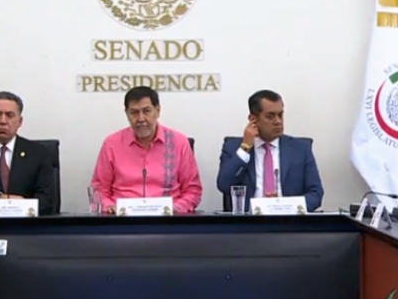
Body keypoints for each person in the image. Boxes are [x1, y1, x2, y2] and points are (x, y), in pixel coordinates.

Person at [91, 86, 202, 214]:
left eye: (147, 111)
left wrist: (177, 208)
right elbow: (98, 189)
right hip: (121, 221)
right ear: (126, 113)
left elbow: (193, 190)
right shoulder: (111, 144)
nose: (141, 119)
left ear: (158, 111)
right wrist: (109, 206)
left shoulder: (179, 143)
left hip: (168, 221)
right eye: (134, 112)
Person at [216, 89, 324, 212]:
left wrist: (284, 205)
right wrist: (245, 147)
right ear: (253, 119)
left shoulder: (300, 149)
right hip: (248, 225)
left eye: (280, 115)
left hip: (289, 223)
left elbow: (316, 194)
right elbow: (224, 185)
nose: (278, 121)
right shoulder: (233, 148)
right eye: (270, 116)